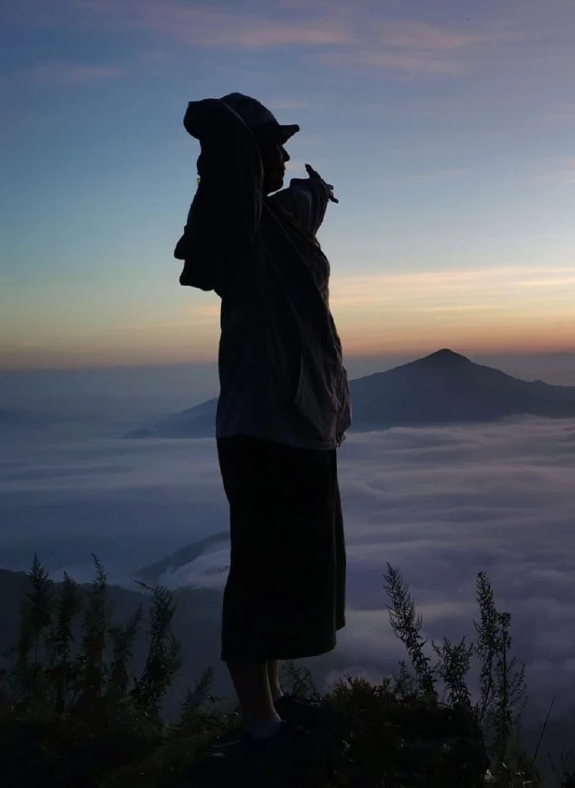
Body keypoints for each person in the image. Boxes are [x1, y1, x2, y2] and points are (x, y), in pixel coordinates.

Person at [174, 92, 353, 769]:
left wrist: (316, 190)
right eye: (269, 146)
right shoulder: (236, 229)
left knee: (286, 570)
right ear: (245, 159)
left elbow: (304, 204)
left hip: (302, 422)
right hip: (263, 426)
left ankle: (269, 712)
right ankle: (257, 724)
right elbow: (215, 136)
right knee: (259, 572)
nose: (281, 154)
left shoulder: (283, 224)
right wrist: (234, 134)